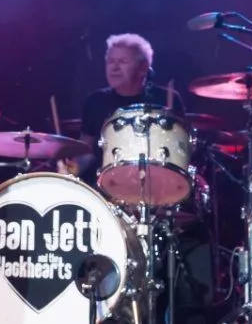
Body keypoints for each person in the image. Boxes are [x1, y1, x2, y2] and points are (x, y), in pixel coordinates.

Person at [57, 33, 213, 324]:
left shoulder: (166, 99)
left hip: (159, 198)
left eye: (122, 62)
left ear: (143, 68)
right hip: (111, 199)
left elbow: (178, 155)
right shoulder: (96, 101)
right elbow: (88, 151)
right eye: (110, 61)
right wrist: (74, 166)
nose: (113, 67)